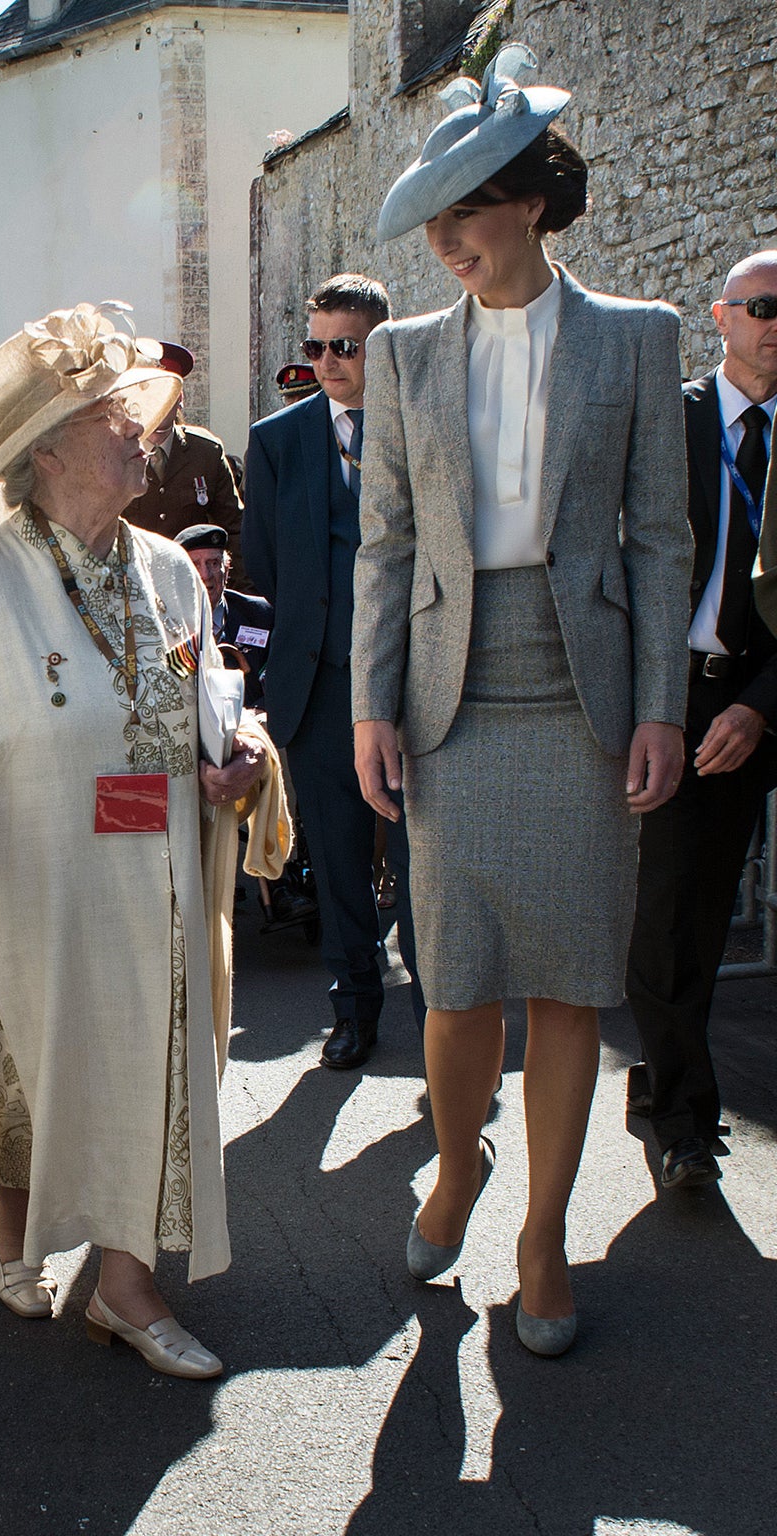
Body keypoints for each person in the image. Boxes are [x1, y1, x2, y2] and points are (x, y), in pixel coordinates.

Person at [0, 302, 285, 1378]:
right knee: (33, 1071)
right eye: (114, 415)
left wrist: (238, 754)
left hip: (162, 882)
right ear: (47, 450)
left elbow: (213, 694)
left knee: (140, 1074)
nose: (144, 430)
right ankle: (14, 1240)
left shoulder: (167, 569)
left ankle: (123, 1287)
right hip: (42, 885)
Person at [357, 45, 689, 1357]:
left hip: (585, 700)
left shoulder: (640, 338)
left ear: (537, 201)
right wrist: (371, 706)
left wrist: (662, 700)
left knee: (567, 984)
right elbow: (385, 545)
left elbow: (660, 540)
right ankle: (457, 1166)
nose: (447, 241)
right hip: (449, 699)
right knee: (455, 986)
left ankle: (544, 1233)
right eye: (434, 220)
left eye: (470, 211)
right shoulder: (398, 356)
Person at [624, 248, 777, 1190]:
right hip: (676, 694)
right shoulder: (667, 424)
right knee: (678, 915)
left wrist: (761, 708)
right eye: (762, 306)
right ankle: (679, 1119)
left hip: (767, 693)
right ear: (720, 318)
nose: (776, 324)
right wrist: (655, 709)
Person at [244, 271, 423, 1069]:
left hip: (422, 686)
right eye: (313, 346)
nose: (324, 361)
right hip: (317, 690)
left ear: (380, 344)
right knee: (341, 864)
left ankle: (442, 1021)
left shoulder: (425, 421)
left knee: (427, 870)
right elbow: (270, 570)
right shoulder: (278, 441)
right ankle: (353, 1009)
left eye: (342, 347)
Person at [122, 346, 247, 584]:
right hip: (136, 588)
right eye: (152, 393)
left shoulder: (206, 453)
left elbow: (235, 528)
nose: (160, 403)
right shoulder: (117, 452)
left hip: (193, 586)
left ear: (181, 399)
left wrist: (238, 595)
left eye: (168, 393)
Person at [177, 523, 270, 707]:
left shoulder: (260, 616)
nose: (205, 575)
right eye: (195, 564)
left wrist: (258, 716)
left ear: (226, 571)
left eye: (213, 563)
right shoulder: (166, 623)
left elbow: (283, 683)